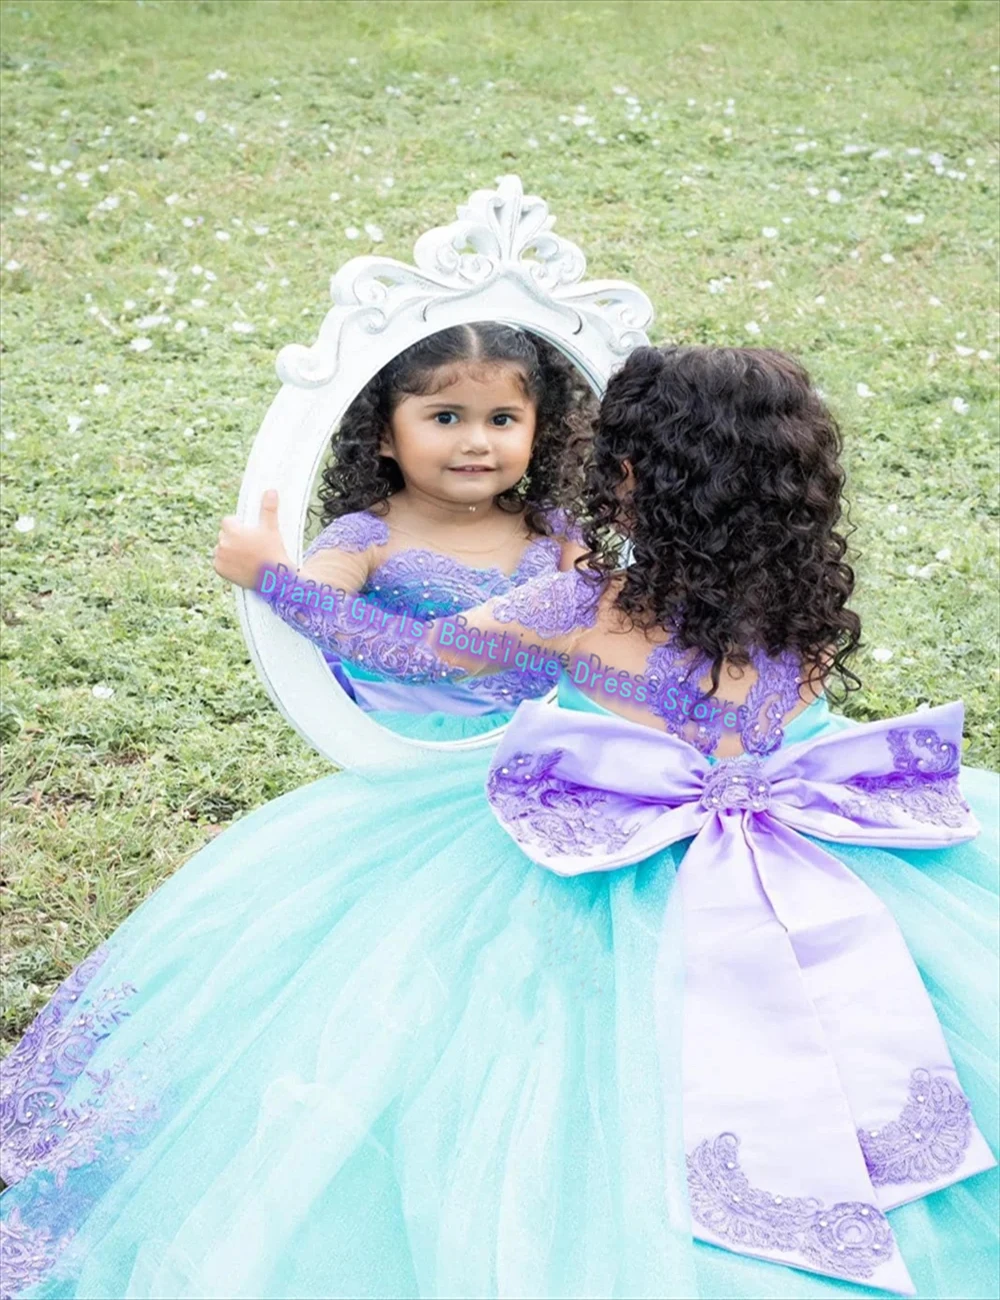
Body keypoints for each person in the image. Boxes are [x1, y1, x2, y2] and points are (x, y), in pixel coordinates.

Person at [2, 347, 996, 1300]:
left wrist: (271, 572)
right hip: (802, 843)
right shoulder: (805, 608)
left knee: (533, 1078)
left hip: (596, 863)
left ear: (634, 477)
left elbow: (408, 647)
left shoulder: (578, 600)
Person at [216, 320, 595, 741]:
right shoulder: (364, 537)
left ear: (538, 432)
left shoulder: (556, 530)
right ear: (384, 435)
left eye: (502, 419)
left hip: (555, 744)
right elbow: (323, 612)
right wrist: (272, 577)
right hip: (422, 755)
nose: (477, 441)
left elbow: (601, 630)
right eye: (446, 417)